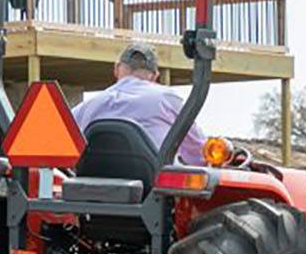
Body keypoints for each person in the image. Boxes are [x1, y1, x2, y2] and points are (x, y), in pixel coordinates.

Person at [70, 41, 207, 164]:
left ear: (117, 69)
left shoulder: (88, 106)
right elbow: (198, 152)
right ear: (155, 76)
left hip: (95, 185)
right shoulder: (166, 99)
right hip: (151, 188)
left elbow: (61, 144)